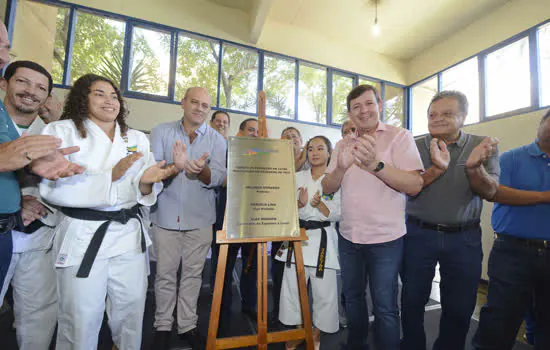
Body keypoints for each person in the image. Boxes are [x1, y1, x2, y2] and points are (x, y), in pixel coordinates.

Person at [40, 73, 175, 350]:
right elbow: (51, 187)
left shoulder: (136, 137)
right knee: (81, 316)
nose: (109, 100)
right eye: (99, 94)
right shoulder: (60, 131)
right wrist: (108, 177)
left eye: (114, 95)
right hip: (84, 234)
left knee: (132, 310)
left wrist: (148, 183)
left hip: (127, 234)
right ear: (82, 98)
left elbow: (143, 189)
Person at [322, 84, 424, 350]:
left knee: (385, 306)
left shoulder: (399, 137)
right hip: (349, 236)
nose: (363, 110)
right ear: (350, 113)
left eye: (368, 104)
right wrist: (341, 167)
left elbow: (414, 185)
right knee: (353, 298)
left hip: (385, 239)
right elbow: (327, 188)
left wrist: (376, 165)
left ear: (379, 105)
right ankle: (356, 344)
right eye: (356, 107)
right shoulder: (343, 144)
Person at [401, 91, 499, 350]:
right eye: (432, 115)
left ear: (464, 117)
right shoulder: (413, 146)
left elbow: (490, 192)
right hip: (418, 235)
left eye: (447, 114)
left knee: (460, 306)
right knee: (411, 300)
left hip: (463, 238)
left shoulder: (483, 145)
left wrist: (475, 166)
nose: (438, 119)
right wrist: (436, 168)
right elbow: (409, 188)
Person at [150, 87, 227, 350]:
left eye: (205, 105)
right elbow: (152, 171)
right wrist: (176, 167)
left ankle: (187, 325)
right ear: (183, 103)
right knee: (164, 275)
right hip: (165, 217)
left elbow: (218, 178)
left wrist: (202, 171)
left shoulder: (218, 141)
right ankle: (162, 325)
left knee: (193, 276)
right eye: (194, 102)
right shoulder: (161, 131)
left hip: (201, 219)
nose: (199, 109)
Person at [472, 109, 550, 350]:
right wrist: (545, 197)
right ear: (541, 125)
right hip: (513, 252)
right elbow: (495, 193)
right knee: (500, 320)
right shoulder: (512, 158)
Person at [0, 60, 60, 349]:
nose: (31, 92)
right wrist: (15, 200)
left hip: (40, 232)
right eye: (23, 82)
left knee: (38, 313)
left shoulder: (56, 132)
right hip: (4, 227)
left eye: (40, 88)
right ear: (4, 84)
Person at [277, 136, 341, 350]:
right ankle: (297, 329)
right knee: (292, 287)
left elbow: (339, 213)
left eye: (320, 148)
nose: (314, 152)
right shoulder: (297, 176)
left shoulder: (334, 179)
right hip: (298, 238)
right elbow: (283, 208)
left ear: (329, 153)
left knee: (324, 291)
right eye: (311, 148)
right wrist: (298, 203)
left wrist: (320, 205)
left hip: (323, 239)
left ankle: (316, 331)